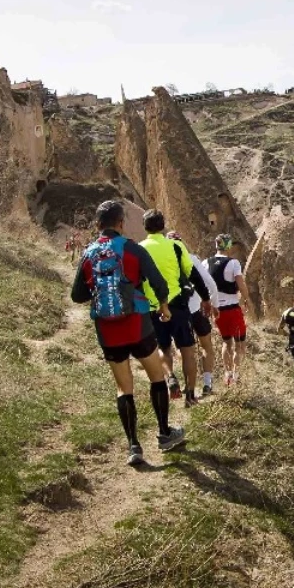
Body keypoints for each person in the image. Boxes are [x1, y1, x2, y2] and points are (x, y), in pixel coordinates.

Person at [71, 200, 185, 466]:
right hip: (138, 325)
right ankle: (165, 433)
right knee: (157, 377)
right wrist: (164, 308)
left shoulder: (88, 254)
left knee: (124, 388)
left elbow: (77, 295)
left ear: (98, 225)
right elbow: (158, 283)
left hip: (108, 331)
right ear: (121, 223)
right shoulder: (132, 249)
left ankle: (134, 446)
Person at [139, 211, 212, 407]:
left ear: (144, 227)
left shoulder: (140, 249)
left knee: (163, 348)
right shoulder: (176, 246)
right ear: (163, 226)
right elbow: (193, 274)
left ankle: (170, 376)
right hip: (178, 305)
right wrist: (205, 298)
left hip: (153, 308)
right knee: (187, 350)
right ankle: (190, 396)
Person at [167, 231, 219, 396]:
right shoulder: (192, 259)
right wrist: (213, 304)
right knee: (206, 346)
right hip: (197, 309)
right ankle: (207, 384)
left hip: (176, 311)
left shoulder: (164, 261)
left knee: (184, 349)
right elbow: (211, 284)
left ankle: (187, 386)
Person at [206, 234, 251, 386]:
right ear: (228, 246)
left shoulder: (206, 262)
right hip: (232, 308)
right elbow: (240, 282)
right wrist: (246, 299)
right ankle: (236, 375)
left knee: (226, 342)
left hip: (217, 310)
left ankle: (227, 375)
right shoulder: (233, 263)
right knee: (240, 344)